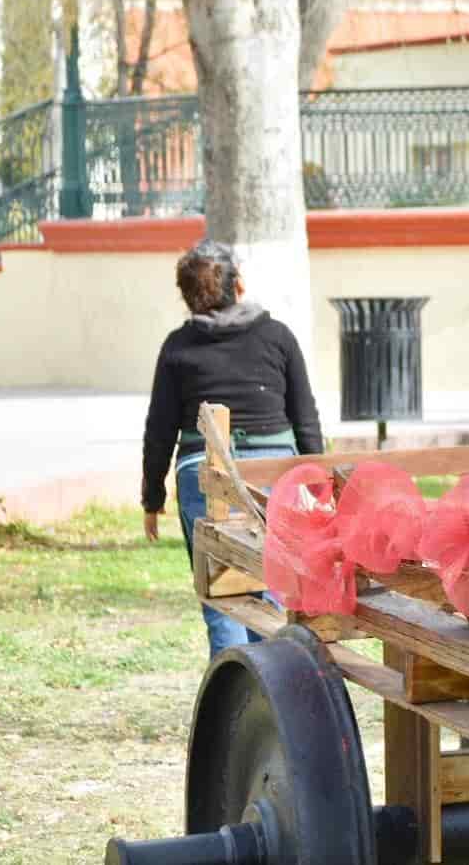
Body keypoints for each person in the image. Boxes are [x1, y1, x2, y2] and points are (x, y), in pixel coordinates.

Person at [141, 240, 324, 659]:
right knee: (274, 586)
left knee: (222, 599)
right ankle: (278, 697)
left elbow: (160, 429)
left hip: (201, 471)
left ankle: (233, 710)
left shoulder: (177, 347)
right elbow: (305, 415)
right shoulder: (278, 337)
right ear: (238, 286)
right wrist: (318, 485)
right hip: (274, 472)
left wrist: (152, 498)